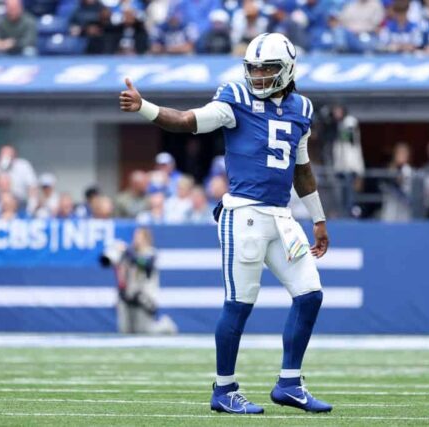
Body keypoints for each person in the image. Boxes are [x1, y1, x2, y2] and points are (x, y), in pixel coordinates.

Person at [120, 32, 332, 414]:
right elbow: (187, 121)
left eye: (267, 68)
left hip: (282, 218)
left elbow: (302, 169)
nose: (259, 76)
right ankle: (224, 389)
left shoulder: (302, 108)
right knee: (239, 304)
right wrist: (144, 107)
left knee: (310, 294)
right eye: (254, 68)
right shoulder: (236, 96)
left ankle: (289, 382)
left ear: (287, 70)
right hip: (244, 215)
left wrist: (318, 218)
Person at [100, 227, 177, 334]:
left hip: (143, 299)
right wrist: (114, 252)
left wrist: (126, 251)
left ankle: (166, 325)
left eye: (138, 236)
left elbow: (145, 264)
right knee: (125, 331)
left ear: (146, 239)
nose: (135, 239)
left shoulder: (151, 253)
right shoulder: (127, 253)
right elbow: (105, 263)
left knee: (144, 331)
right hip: (127, 298)